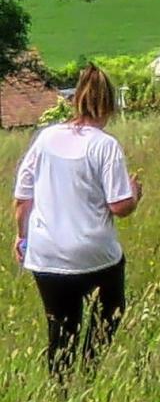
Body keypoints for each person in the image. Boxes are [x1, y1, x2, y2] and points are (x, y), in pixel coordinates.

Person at [12, 64, 143, 383]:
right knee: (108, 315)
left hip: (47, 255)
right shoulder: (104, 145)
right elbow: (119, 206)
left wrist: (22, 238)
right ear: (109, 104)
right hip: (94, 255)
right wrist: (136, 194)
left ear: (75, 101)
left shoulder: (45, 138)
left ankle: (61, 394)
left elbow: (22, 199)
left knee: (60, 329)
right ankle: (90, 373)